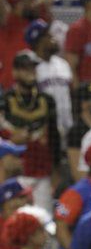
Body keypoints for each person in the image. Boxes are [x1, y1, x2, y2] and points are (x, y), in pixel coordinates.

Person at [0, 49, 60, 211]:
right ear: (15, 71)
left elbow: (55, 137)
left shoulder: (46, 100)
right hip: (13, 173)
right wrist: (10, 141)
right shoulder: (3, 101)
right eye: (26, 68)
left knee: (43, 219)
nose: (31, 73)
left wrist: (56, 169)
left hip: (42, 171)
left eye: (33, 68)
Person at [26, 19, 73, 138]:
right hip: (44, 129)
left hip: (68, 126)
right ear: (38, 42)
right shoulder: (30, 67)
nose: (53, 38)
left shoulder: (63, 64)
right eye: (48, 36)